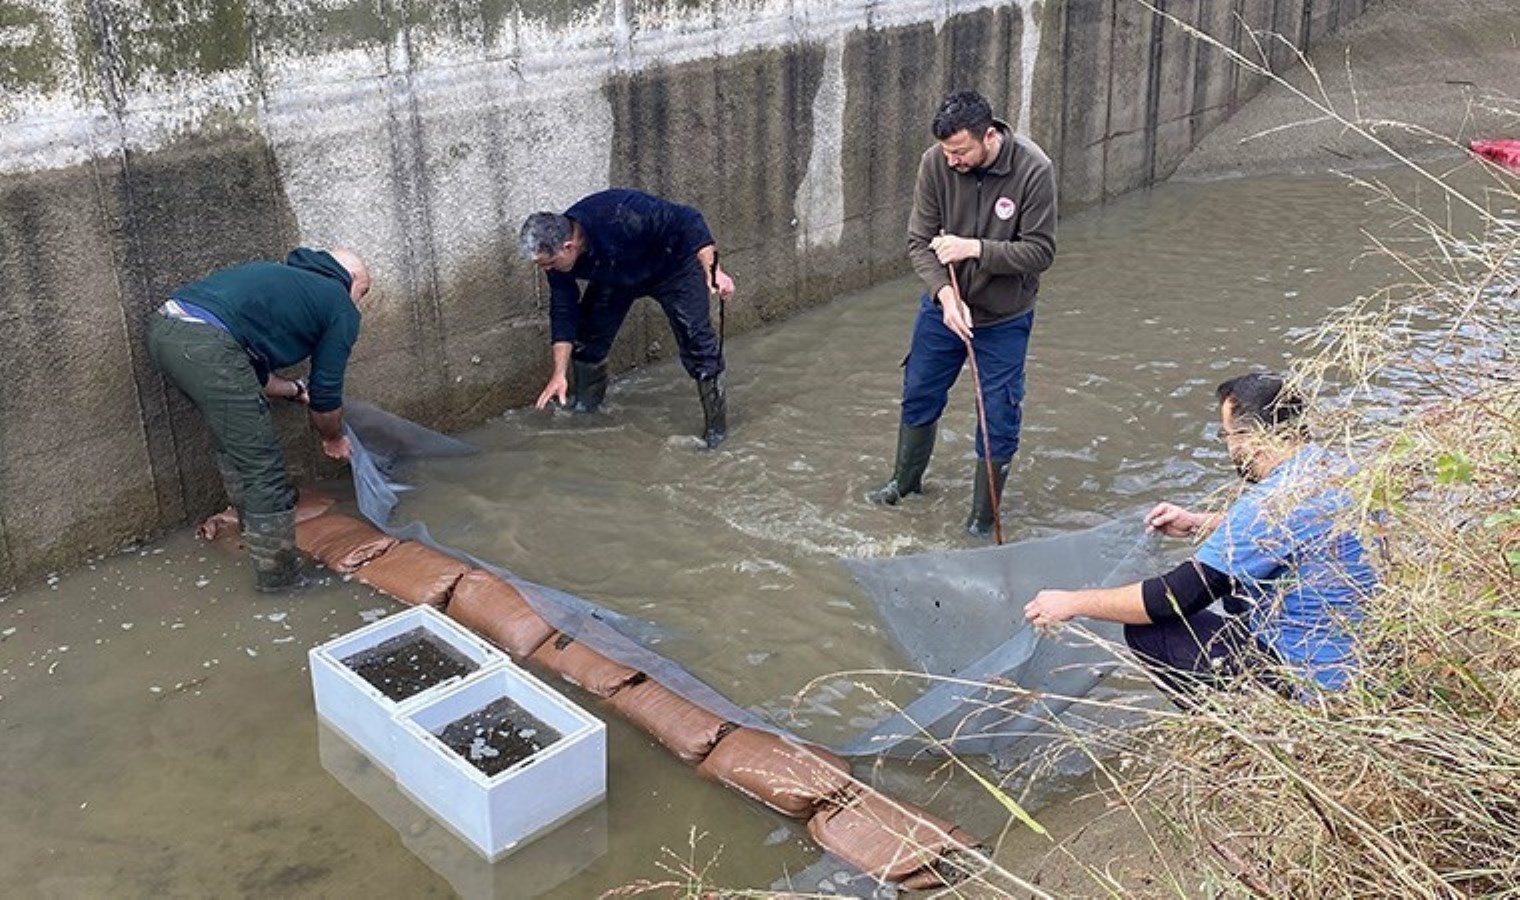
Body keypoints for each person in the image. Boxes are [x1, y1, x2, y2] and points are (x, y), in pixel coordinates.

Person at [1024, 373, 1378, 697]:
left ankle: (1252, 722)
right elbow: (1288, 532)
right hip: (1359, 657)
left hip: (1313, 681)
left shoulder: (1269, 501)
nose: (1228, 447)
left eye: (1226, 435)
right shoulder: (1334, 467)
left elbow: (1172, 597)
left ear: (1250, 436)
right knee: (1239, 590)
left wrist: (1072, 603)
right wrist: (1197, 523)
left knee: (1151, 631)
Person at [868, 89, 1058, 537]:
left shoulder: (1033, 169)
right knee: (918, 391)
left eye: (960, 151)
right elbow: (919, 241)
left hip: (1004, 317)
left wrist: (975, 249)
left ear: (988, 136)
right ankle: (905, 482)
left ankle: (981, 518)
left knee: (997, 415)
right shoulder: (935, 162)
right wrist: (943, 297)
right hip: (944, 309)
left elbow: (1041, 252)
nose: (952, 161)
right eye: (946, 151)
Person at [148, 247, 370, 592]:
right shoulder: (338, 303)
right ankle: (281, 582)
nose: (358, 302)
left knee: (236, 443)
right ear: (351, 278)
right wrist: (332, 437)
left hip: (166, 332)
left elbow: (251, 376)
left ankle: (253, 524)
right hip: (206, 343)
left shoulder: (283, 282)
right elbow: (326, 394)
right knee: (264, 468)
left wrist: (296, 391)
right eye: (363, 292)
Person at [519, 189, 737, 449]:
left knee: (698, 344)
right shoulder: (560, 260)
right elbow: (564, 311)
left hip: (673, 268)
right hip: (617, 277)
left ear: (569, 246)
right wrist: (559, 374)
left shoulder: (620, 214)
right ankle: (586, 410)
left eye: (549, 264)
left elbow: (689, 219)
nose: (547, 270)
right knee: (587, 341)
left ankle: (716, 431)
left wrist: (713, 272)